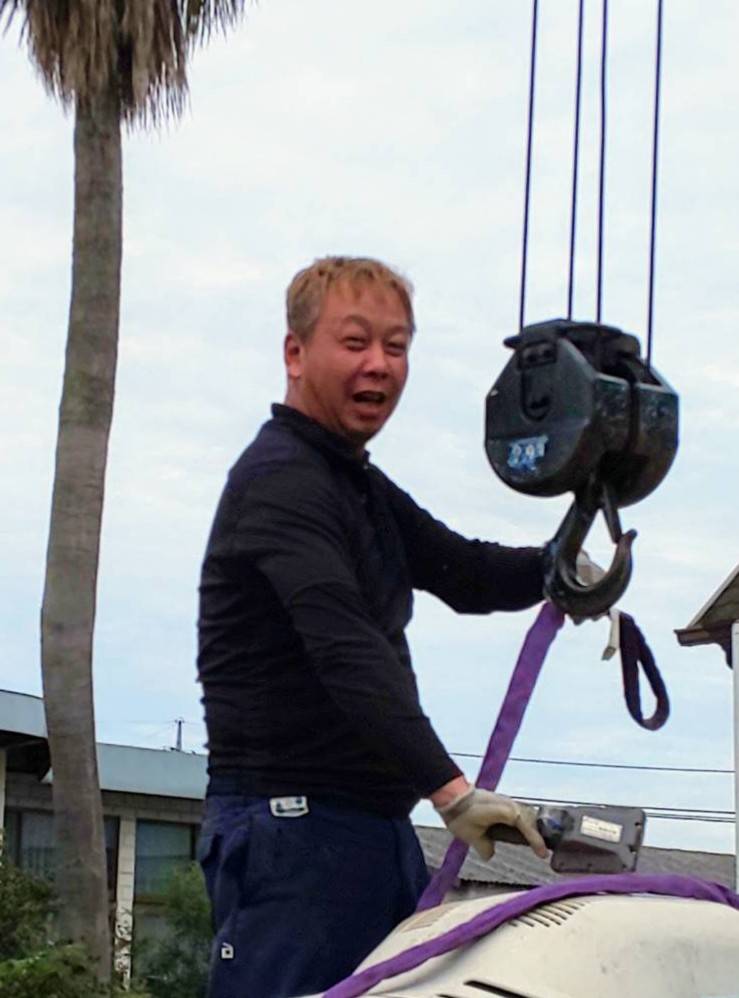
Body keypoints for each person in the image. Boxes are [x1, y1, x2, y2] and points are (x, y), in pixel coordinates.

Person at [196, 256, 550, 998]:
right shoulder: (281, 480)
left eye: (397, 346)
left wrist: (562, 564)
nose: (380, 364)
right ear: (295, 353)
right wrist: (452, 793)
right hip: (293, 832)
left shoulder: (354, 482)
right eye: (355, 342)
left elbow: (465, 572)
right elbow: (346, 646)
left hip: (372, 831)